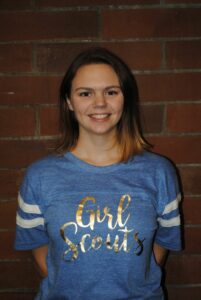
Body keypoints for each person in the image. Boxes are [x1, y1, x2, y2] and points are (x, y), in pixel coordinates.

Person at [15, 47, 182, 300]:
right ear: (69, 102)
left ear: (125, 99)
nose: (100, 103)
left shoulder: (159, 172)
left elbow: (162, 245)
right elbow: (37, 245)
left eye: (111, 92)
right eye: (85, 93)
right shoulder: (40, 175)